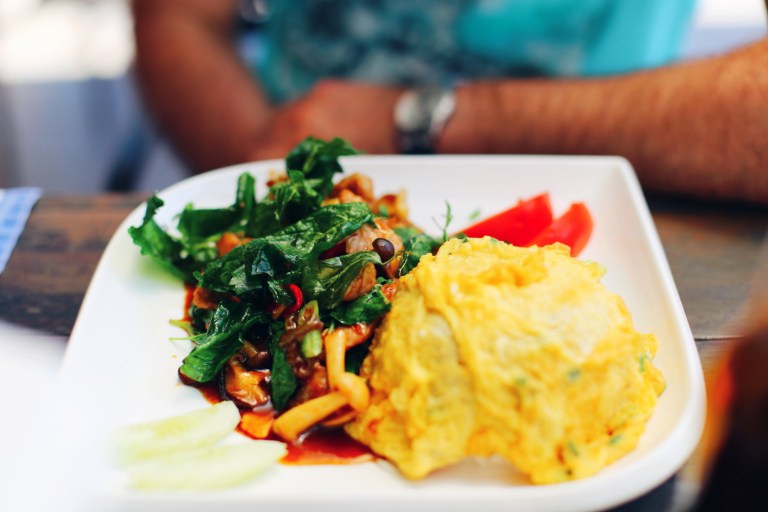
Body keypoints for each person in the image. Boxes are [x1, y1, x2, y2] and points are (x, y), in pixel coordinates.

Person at [131, 0, 768, 204]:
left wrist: (427, 119)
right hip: (293, 165)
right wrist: (265, 190)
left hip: (633, 191)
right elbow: (182, 18)